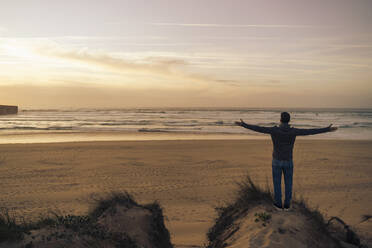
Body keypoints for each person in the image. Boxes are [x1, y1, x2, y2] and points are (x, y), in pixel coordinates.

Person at [235, 112, 338, 210]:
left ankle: (279, 205)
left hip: (276, 161)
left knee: (277, 183)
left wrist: (244, 124)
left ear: (280, 120)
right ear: (289, 120)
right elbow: (310, 131)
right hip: (288, 161)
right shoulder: (294, 131)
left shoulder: (274, 130)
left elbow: (258, 129)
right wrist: (327, 129)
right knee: (289, 183)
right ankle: (287, 205)